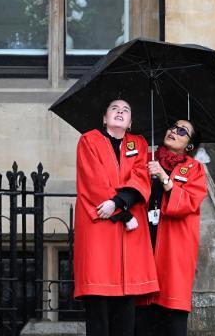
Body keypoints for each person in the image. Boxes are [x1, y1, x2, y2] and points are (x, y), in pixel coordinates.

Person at [74, 99, 158, 336]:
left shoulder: (139, 143)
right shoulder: (88, 140)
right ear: (104, 118)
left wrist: (120, 204)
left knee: (126, 298)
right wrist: (121, 210)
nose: (120, 112)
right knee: (99, 299)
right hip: (99, 225)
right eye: (114, 108)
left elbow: (140, 176)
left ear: (130, 122)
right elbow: (93, 181)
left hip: (128, 227)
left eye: (126, 110)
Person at [134, 120, 208, 336]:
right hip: (144, 243)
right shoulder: (146, 161)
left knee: (171, 320)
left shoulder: (195, 169)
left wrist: (164, 178)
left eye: (182, 131)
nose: (174, 131)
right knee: (140, 319)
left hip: (173, 250)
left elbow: (187, 204)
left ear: (190, 145)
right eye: (173, 127)